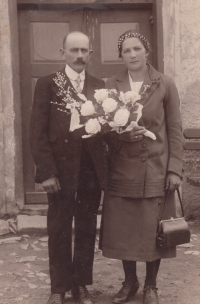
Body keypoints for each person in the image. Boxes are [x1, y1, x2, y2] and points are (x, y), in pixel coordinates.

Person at [101, 30, 182, 304]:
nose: (132, 55)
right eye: (126, 51)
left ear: (146, 51)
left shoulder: (164, 84)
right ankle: (130, 282)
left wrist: (174, 169)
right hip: (122, 169)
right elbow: (103, 131)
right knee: (125, 228)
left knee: (151, 229)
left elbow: (174, 129)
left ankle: (151, 286)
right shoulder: (111, 84)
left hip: (155, 168)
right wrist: (120, 136)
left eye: (137, 49)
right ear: (121, 56)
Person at [30, 31, 108, 304]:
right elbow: (37, 133)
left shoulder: (99, 87)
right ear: (62, 52)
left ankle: (81, 285)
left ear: (91, 53)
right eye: (73, 50)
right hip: (60, 172)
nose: (79, 56)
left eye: (84, 51)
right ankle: (59, 288)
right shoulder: (48, 84)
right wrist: (47, 172)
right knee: (59, 228)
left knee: (87, 228)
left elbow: (103, 133)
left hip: (89, 171)